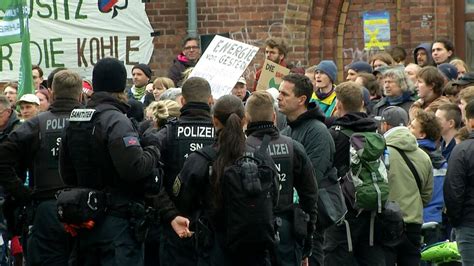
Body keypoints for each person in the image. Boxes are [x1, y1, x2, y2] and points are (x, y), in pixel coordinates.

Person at [58, 57, 165, 265]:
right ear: (120, 85)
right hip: (117, 226)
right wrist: (153, 147)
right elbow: (134, 168)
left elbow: (66, 173)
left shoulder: (77, 118)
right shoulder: (117, 120)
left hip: (86, 220)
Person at [0, 70, 85, 265]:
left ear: (52, 94)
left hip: (47, 209)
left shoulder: (35, 124)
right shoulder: (96, 121)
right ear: (80, 94)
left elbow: (3, 159)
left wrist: (22, 192)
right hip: (87, 209)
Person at [245, 91, 318, 266]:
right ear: (274, 117)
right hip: (286, 234)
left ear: (246, 118)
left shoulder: (240, 150)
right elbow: (310, 196)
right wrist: (307, 241)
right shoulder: (293, 147)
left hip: (251, 233)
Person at [149, 76, 215, 266]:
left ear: (183, 101)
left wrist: (169, 214)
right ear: (210, 100)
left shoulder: (166, 135)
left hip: (175, 226)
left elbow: (151, 180)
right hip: (214, 228)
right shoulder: (222, 134)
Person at [278, 73, 336, 265]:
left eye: (285, 94)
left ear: (301, 99)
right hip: (291, 220)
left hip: (311, 220)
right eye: (279, 92)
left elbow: (312, 180)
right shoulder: (286, 131)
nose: (279, 97)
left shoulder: (318, 132)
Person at [325, 81, 385, 265]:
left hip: (343, 209)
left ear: (339, 105)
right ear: (362, 104)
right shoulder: (376, 132)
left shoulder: (334, 135)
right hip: (374, 206)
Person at [379, 107, 433, 265]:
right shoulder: (423, 156)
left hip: (386, 221)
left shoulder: (381, 152)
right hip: (413, 224)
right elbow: (426, 196)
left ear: (386, 126)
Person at [444, 100, 474, 265]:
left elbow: (453, 190)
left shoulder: (463, 150)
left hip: (469, 224)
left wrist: (455, 221)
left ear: (471, 121)